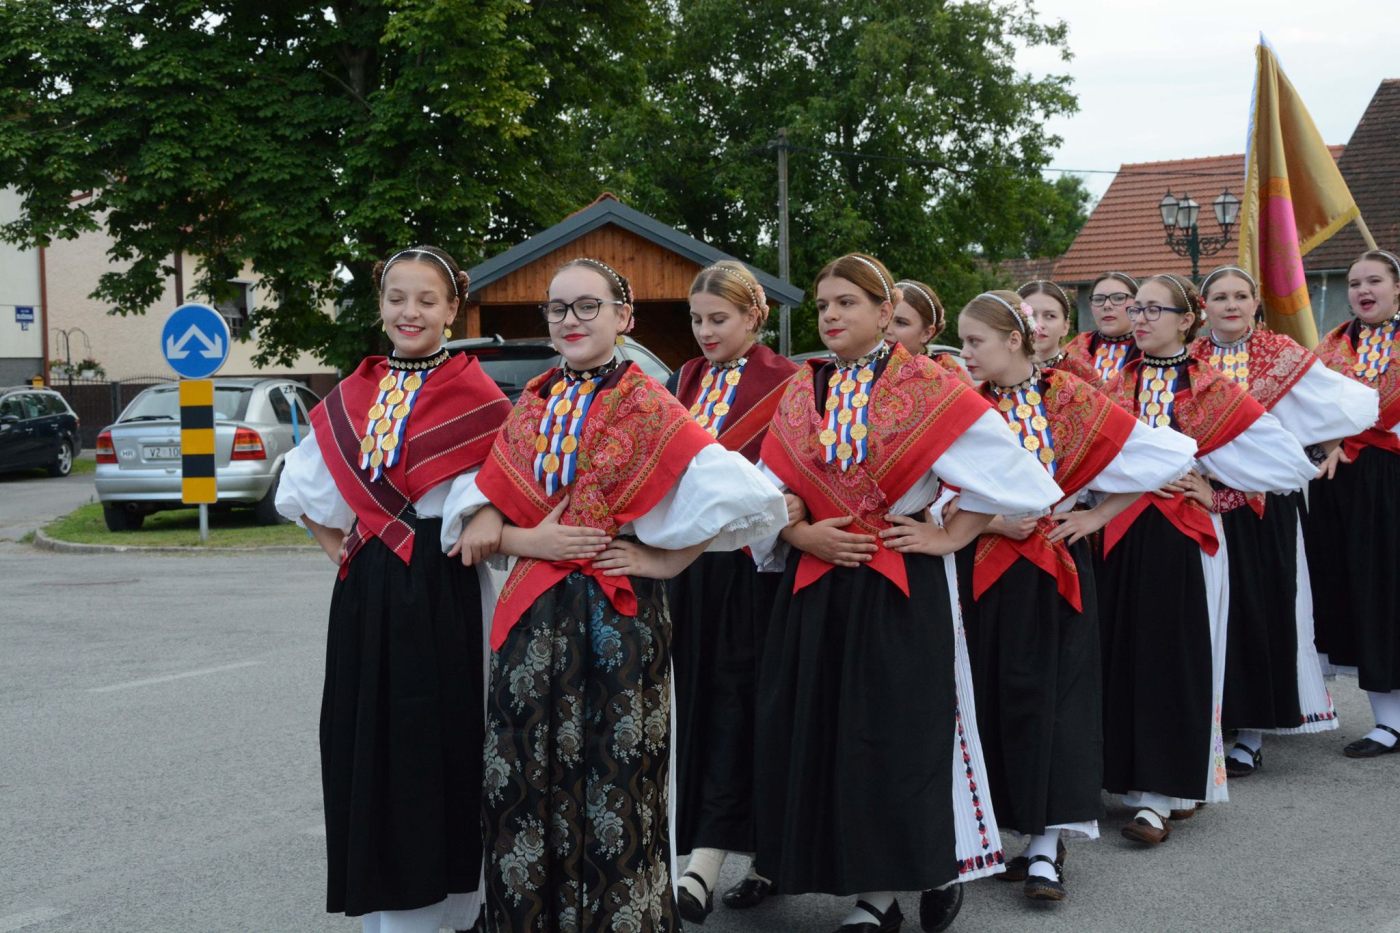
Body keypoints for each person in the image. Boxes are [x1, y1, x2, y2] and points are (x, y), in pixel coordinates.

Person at [448, 257, 788, 932]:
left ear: (623, 318)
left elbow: (755, 501)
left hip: (618, 620)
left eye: (587, 306)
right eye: (557, 308)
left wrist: (666, 558)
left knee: (616, 784)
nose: (570, 320)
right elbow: (476, 513)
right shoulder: (535, 402)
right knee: (520, 779)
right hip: (532, 619)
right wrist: (515, 535)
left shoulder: (651, 405)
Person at [750, 254, 1063, 933]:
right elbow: (768, 484)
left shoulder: (928, 385)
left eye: (846, 303)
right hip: (820, 585)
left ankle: (895, 886)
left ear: (885, 312)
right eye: (823, 304)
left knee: (893, 735)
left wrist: (953, 536)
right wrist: (801, 535)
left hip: (898, 580)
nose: (830, 314)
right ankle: (865, 880)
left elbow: (1016, 475)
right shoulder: (804, 389)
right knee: (831, 731)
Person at [276, 245, 513, 933]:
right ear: (380, 306)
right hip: (368, 589)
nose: (410, 311)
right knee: (364, 737)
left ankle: (455, 904)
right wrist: (350, 552)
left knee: (442, 737)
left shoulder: (478, 394)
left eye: (426, 300)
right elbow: (305, 495)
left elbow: (501, 492)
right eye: (397, 297)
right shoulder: (354, 392)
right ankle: (386, 899)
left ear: (451, 310)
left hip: (445, 585)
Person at [956, 292, 1196, 903]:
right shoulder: (965, 406)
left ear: (1014, 339)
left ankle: (1046, 848)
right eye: (962, 342)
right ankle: (1010, 833)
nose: (965, 354)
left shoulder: (1067, 395)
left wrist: (1095, 518)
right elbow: (929, 490)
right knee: (993, 695)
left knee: (1056, 699)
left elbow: (1157, 455)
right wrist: (987, 523)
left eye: (975, 341)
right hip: (982, 565)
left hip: (1057, 565)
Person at [1097, 273, 1317, 845]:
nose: (1138, 318)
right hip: (1119, 537)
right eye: (1134, 307)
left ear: (1185, 319)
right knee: (1125, 655)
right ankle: (1132, 781)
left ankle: (1163, 796)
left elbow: (1290, 466)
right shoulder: (1111, 385)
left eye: (1152, 309)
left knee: (1177, 657)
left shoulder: (1211, 388)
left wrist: (1218, 493)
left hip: (1184, 538)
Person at [1190, 265, 1377, 775]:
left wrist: (1315, 452)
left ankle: (1251, 731)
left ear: (1256, 304)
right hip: (1200, 500)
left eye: (1241, 296)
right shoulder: (1190, 360)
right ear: (1202, 307)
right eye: (1220, 296)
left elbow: (1347, 407)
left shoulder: (1282, 355)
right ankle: (1214, 725)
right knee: (1207, 615)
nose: (1231, 304)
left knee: (1261, 611)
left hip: (1264, 504)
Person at [665, 260, 797, 921]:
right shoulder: (686, 378)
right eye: (696, 318)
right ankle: (712, 852)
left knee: (744, 707)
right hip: (694, 570)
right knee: (701, 704)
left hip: (755, 570)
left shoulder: (788, 382)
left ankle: (716, 863)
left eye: (719, 318)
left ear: (754, 316)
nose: (704, 330)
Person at [1304, 249, 1400, 759]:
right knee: (1360, 590)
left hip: (1392, 476)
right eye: (1355, 282)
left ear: (1396, 287)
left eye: (1374, 281)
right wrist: (1328, 442)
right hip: (1339, 480)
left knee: (1391, 588)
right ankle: (1388, 719)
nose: (1364, 290)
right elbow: (1305, 409)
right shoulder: (1332, 346)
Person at [885, 278, 972, 384]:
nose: (887, 329)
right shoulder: (864, 362)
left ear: (927, 333)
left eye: (901, 322)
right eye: (885, 317)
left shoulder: (946, 377)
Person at [1019, 279, 1101, 385]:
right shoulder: (999, 372)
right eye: (1029, 316)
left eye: (1050, 316)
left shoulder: (1082, 373)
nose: (1039, 324)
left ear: (1065, 327)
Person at [1063, 272, 1141, 384]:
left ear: (1137, 304)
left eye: (1118, 298)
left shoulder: (1153, 351)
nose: (1107, 305)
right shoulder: (1073, 351)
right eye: (1099, 299)